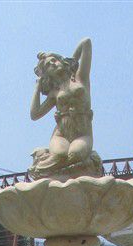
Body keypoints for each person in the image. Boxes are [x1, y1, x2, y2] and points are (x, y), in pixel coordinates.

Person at [29, 38, 102, 179]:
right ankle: (41, 168)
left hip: (82, 132)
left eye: (55, 60)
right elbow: (35, 114)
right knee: (60, 156)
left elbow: (86, 43)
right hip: (61, 133)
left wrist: (70, 63)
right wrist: (37, 86)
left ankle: (86, 163)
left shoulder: (81, 78)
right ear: (48, 74)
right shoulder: (54, 93)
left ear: (61, 60)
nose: (53, 64)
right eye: (49, 65)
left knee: (74, 154)